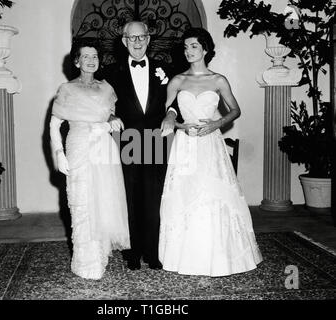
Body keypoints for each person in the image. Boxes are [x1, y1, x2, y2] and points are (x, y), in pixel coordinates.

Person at [158, 27, 263, 276]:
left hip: (211, 145)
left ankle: (220, 256)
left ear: (205, 49)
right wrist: (181, 125)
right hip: (185, 143)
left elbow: (235, 110)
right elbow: (166, 115)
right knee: (185, 194)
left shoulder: (218, 80)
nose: (189, 51)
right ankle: (183, 257)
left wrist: (217, 124)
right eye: (185, 47)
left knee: (213, 193)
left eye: (194, 46)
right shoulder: (177, 80)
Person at [49, 38, 130, 280]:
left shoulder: (106, 87)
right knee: (82, 201)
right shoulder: (67, 89)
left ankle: (101, 256)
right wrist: (58, 154)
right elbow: (54, 125)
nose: (91, 60)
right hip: (80, 145)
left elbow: (110, 113)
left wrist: (113, 120)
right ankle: (85, 262)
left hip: (103, 147)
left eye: (95, 56)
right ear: (76, 61)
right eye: (86, 56)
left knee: (103, 199)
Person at [104, 21, 179, 270]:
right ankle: (133, 252)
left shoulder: (166, 69)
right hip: (128, 139)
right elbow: (99, 103)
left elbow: (177, 99)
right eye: (132, 38)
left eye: (142, 37)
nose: (137, 42)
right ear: (124, 41)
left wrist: (171, 114)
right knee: (131, 195)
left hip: (157, 138)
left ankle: (153, 251)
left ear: (148, 39)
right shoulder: (110, 73)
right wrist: (109, 116)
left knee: (154, 196)